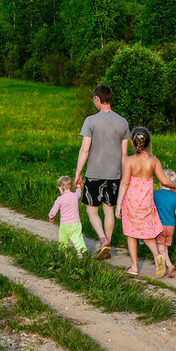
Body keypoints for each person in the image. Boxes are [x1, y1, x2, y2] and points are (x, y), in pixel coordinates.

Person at [75, 84, 130, 260]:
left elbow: (84, 150)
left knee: (91, 210)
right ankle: (107, 247)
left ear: (98, 99)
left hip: (94, 173)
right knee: (109, 210)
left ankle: (102, 238)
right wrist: (123, 176)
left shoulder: (90, 121)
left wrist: (78, 172)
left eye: (94, 100)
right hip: (114, 174)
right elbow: (124, 153)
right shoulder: (122, 122)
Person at [116, 128, 176, 276]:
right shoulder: (154, 160)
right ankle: (158, 256)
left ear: (133, 143)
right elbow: (164, 180)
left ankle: (134, 267)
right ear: (149, 143)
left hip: (131, 202)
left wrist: (119, 204)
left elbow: (124, 183)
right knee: (147, 233)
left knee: (131, 234)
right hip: (146, 202)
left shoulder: (129, 161)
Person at [49, 175, 87, 256]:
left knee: (63, 239)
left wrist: (51, 216)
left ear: (60, 188)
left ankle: (62, 252)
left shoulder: (60, 199)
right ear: (71, 186)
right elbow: (79, 192)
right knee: (77, 237)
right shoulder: (75, 196)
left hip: (65, 224)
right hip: (76, 222)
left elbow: (54, 210)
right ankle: (81, 250)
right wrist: (79, 187)